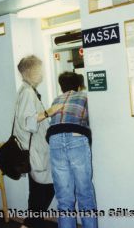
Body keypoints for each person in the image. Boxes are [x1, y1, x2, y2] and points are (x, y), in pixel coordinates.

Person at [14, 55, 63, 228]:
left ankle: (29, 223)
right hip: (35, 150)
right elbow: (28, 122)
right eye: (39, 70)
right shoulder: (27, 92)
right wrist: (50, 111)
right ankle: (29, 224)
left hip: (36, 149)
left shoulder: (26, 90)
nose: (42, 74)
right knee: (45, 186)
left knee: (37, 189)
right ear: (30, 72)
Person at [46, 72, 98, 228]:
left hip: (54, 139)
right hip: (76, 138)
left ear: (62, 87)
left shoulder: (57, 99)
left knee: (64, 198)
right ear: (78, 86)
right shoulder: (84, 97)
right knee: (85, 195)